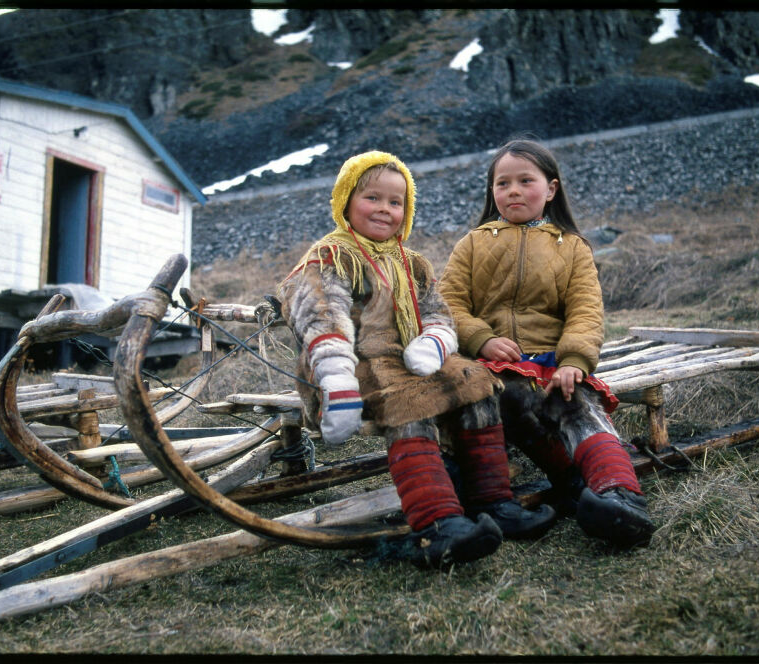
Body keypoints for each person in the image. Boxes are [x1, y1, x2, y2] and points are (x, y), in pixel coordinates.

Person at [277, 150, 555, 570]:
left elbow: (437, 309)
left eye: (396, 202)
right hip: (353, 363)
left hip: (409, 357)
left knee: (476, 384)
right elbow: (320, 313)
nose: (384, 210)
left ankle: (494, 501)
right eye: (372, 198)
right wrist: (335, 374)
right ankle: (437, 523)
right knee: (410, 403)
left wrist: (436, 339)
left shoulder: (412, 263)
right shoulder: (331, 257)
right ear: (346, 199)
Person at [438, 139, 656, 548]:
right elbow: (447, 305)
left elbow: (585, 311)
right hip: (489, 365)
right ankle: (500, 504)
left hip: (552, 361)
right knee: (493, 400)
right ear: (492, 192)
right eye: (502, 183)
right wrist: (481, 339)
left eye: (526, 180)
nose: (513, 190)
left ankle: (620, 496)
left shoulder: (571, 247)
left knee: (577, 404)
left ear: (551, 188)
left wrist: (574, 359)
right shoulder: (472, 244)